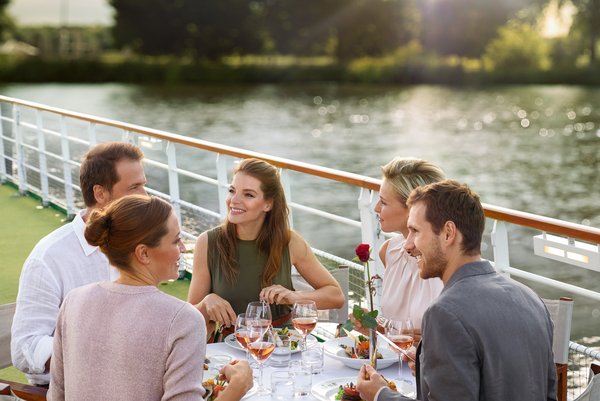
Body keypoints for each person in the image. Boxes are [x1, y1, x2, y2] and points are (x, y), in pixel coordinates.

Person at [356, 180, 556, 401]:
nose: (408, 244)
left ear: (448, 233)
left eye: (415, 231)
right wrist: (426, 366)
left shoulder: (444, 313)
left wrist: (380, 395)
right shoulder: (531, 299)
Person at [48, 195, 253, 401]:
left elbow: (57, 394)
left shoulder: (73, 301)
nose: (182, 248)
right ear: (144, 253)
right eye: (176, 240)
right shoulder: (183, 319)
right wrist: (237, 388)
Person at [11, 141, 147, 385]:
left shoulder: (138, 244)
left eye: (144, 186)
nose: (145, 197)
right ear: (100, 194)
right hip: (68, 390)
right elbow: (25, 347)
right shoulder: (49, 257)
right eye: (134, 188)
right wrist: (99, 358)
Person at [188, 158, 344, 337]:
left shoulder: (290, 241)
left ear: (268, 204)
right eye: (232, 190)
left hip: (283, 347)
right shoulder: (207, 242)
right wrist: (206, 304)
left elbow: (336, 296)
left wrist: (294, 297)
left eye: (248, 195)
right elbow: (189, 318)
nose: (234, 200)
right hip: (228, 351)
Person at [351, 158, 445, 337]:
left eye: (384, 202)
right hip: (393, 361)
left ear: (413, 209)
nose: (376, 208)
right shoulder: (390, 252)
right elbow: (398, 328)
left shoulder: (448, 265)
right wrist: (374, 326)